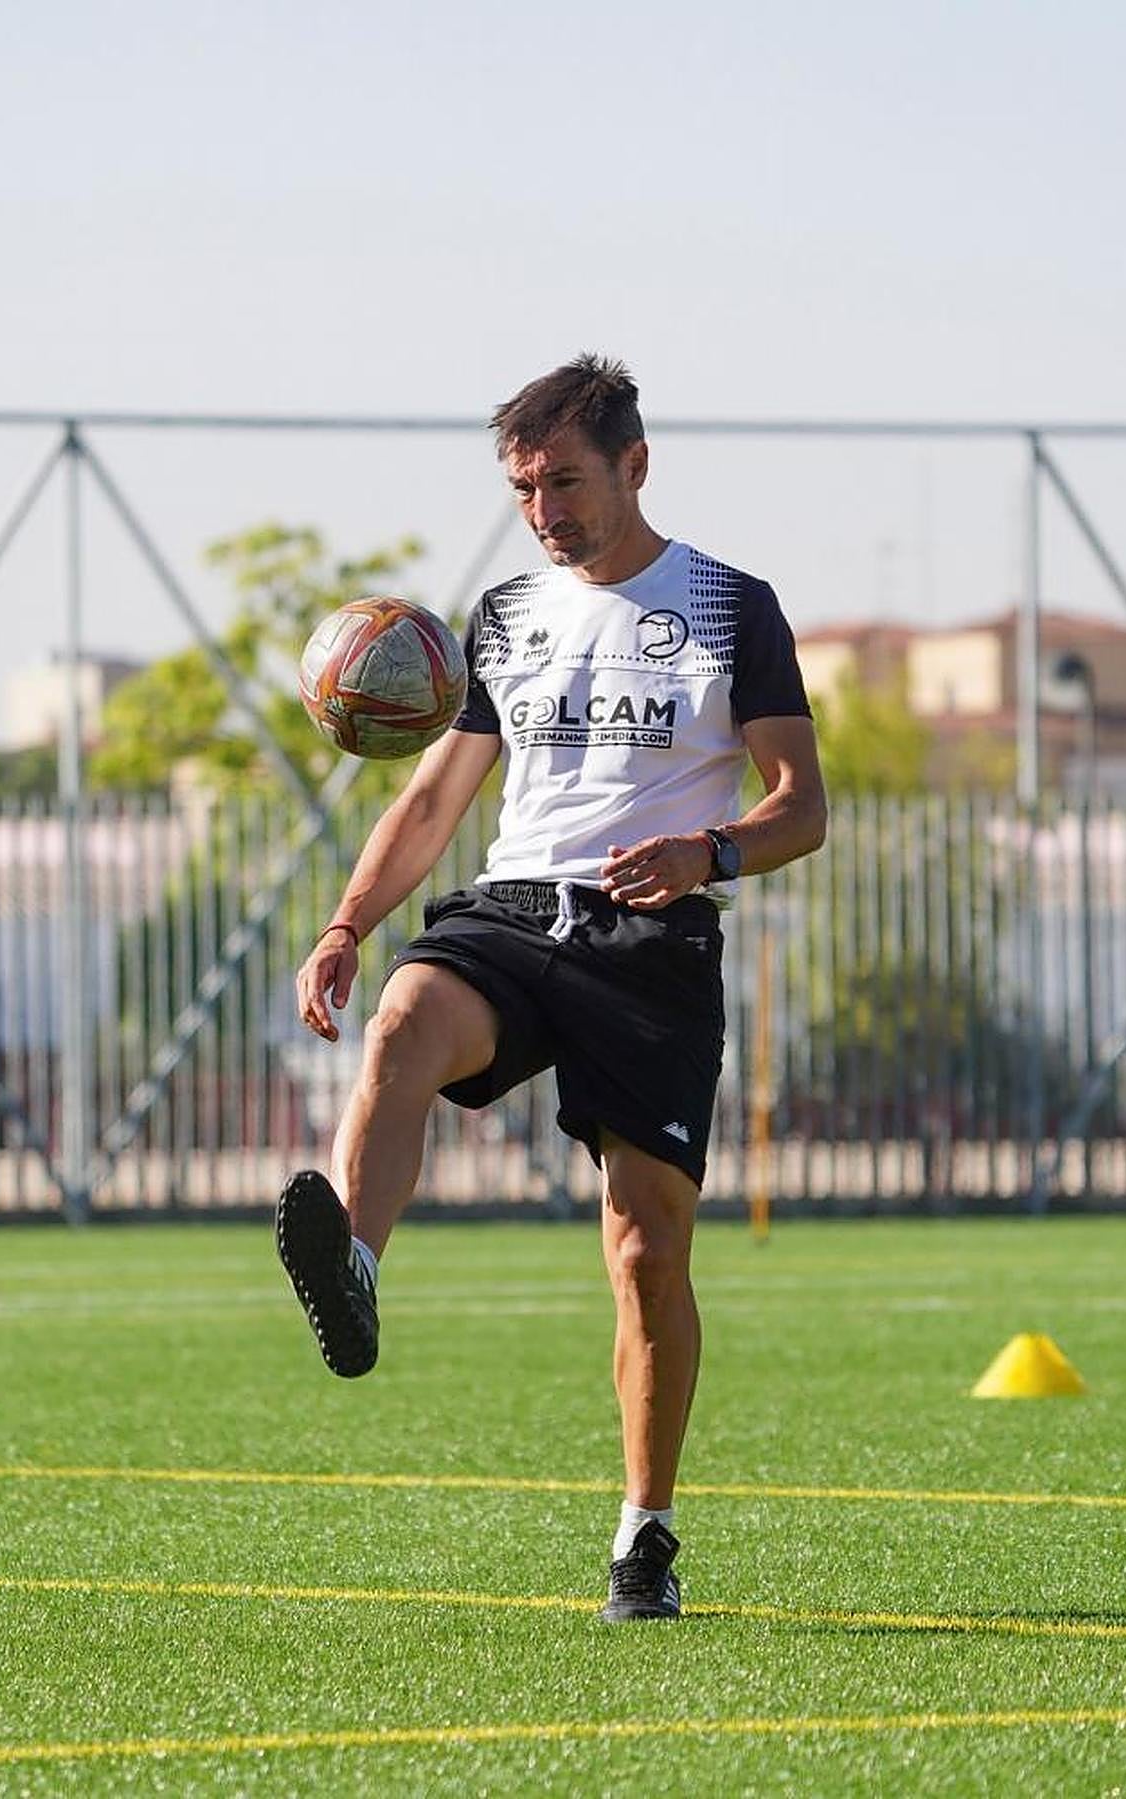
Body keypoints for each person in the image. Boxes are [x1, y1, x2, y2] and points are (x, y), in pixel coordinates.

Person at [276, 354, 827, 1622]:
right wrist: (349, 920)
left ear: (635, 465)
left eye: (564, 481)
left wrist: (715, 849)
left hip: (656, 936)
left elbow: (804, 806)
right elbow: (433, 798)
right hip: (518, 910)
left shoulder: (734, 608)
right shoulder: (505, 614)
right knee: (406, 1019)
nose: (545, 511)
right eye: (524, 487)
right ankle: (353, 1262)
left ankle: (646, 1533)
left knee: (644, 1248)